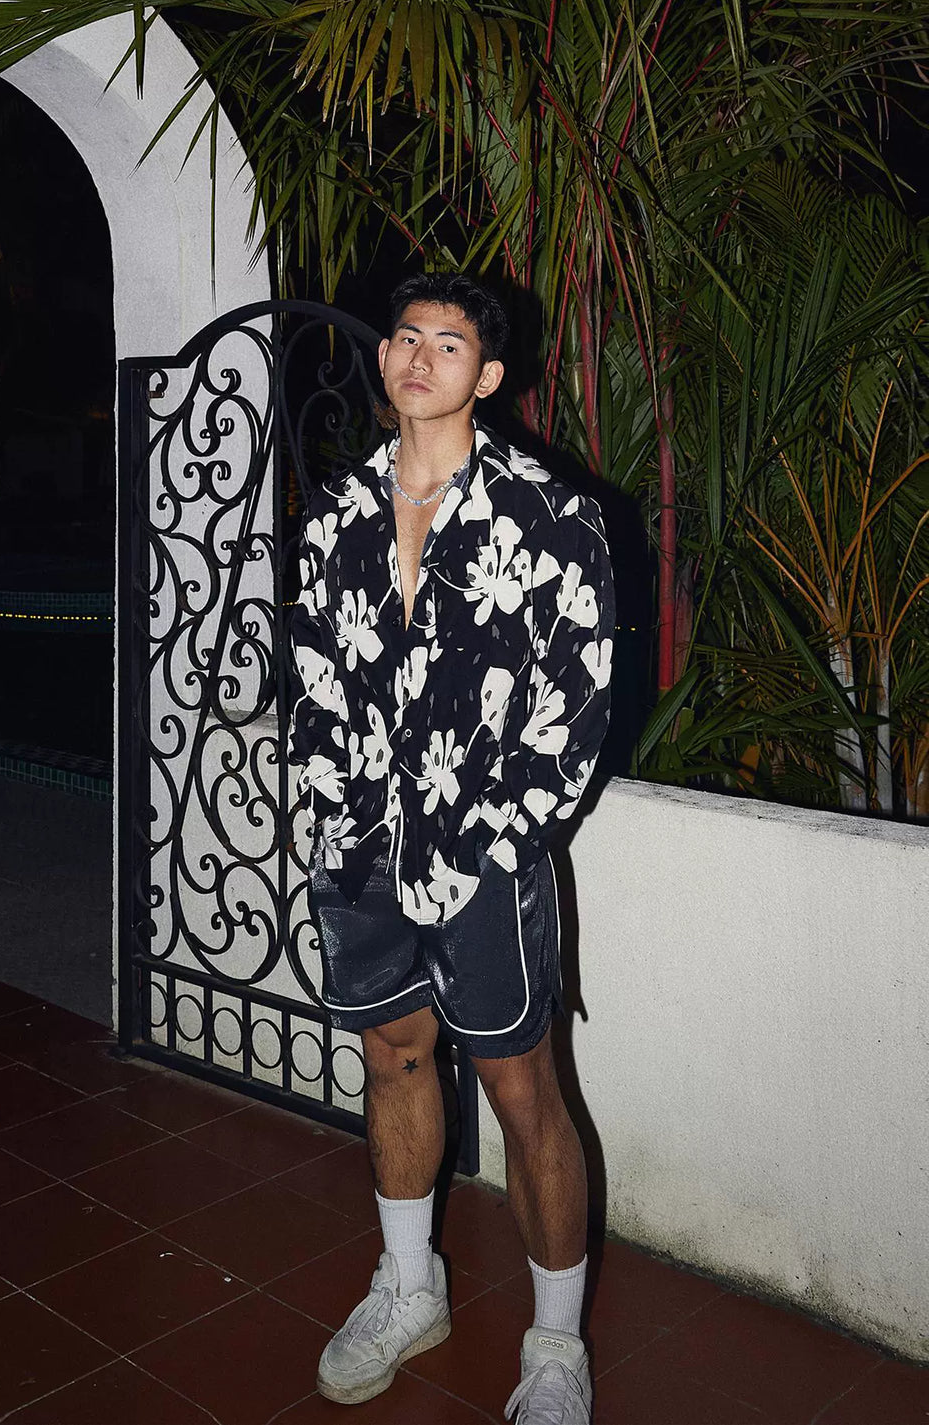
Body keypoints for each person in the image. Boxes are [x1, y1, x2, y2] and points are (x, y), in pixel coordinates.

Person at [289, 272, 614, 1424]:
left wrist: (495, 838)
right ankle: (407, 1284)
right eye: (407, 337)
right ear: (384, 360)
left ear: (488, 376)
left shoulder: (552, 515)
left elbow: (577, 707)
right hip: (363, 851)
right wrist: (337, 804)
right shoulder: (338, 512)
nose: (421, 354)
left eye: (450, 342)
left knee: (526, 1092)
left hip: (486, 859)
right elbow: (316, 674)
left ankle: (557, 1348)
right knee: (391, 1056)